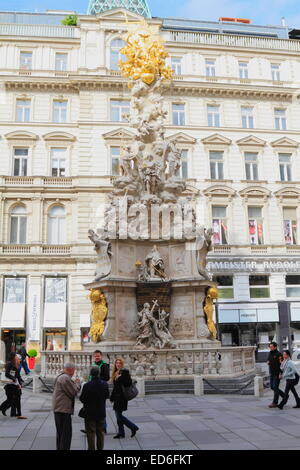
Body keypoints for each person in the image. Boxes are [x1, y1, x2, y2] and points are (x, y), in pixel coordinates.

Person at [52, 362, 81, 450]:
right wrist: (78, 383)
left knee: (61, 433)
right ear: (71, 369)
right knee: (66, 434)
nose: (74, 371)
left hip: (59, 409)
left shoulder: (61, 376)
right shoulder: (65, 378)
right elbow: (73, 392)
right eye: (74, 369)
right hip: (63, 410)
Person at [79, 367, 109, 450]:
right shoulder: (104, 384)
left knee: (91, 433)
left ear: (90, 374)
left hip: (90, 413)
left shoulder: (87, 385)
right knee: (100, 433)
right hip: (101, 412)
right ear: (99, 373)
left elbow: (82, 399)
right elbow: (107, 396)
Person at [110, 357, 139, 439]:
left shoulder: (125, 372)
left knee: (118, 416)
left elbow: (128, 383)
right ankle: (121, 432)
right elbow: (115, 387)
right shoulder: (115, 372)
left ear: (122, 364)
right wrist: (112, 398)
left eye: (120, 363)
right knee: (118, 415)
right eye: (117, 363)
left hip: (122, 397)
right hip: (116, 397)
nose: (118, 364)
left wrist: (121, 377)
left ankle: (133, 427)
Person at [0, 352, 27, 419]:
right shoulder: (10, 364)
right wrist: (14, 379)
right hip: (11, 385)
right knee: (11, 400)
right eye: (16, 356)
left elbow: (17, 375)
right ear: (13, 357)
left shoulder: (15, 363)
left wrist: (20, 381)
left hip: (15, 384)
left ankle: (15, 413)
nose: (17, 357)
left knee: (15, 399)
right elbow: (7, 374)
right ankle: (13, 412)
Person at [267, 341, 285, 408]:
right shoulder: (270, 353)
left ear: (275, 347)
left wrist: (281, 373)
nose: (270, 348)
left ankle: (275, 402)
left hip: (277, 374)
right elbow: (269, 361)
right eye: (270, 347)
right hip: (271, 373)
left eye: (271, 347)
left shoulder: (279, 354)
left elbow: (281, 365)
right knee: (272, 387)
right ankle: (284, 396)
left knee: (275, 387)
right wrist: (268, 362)